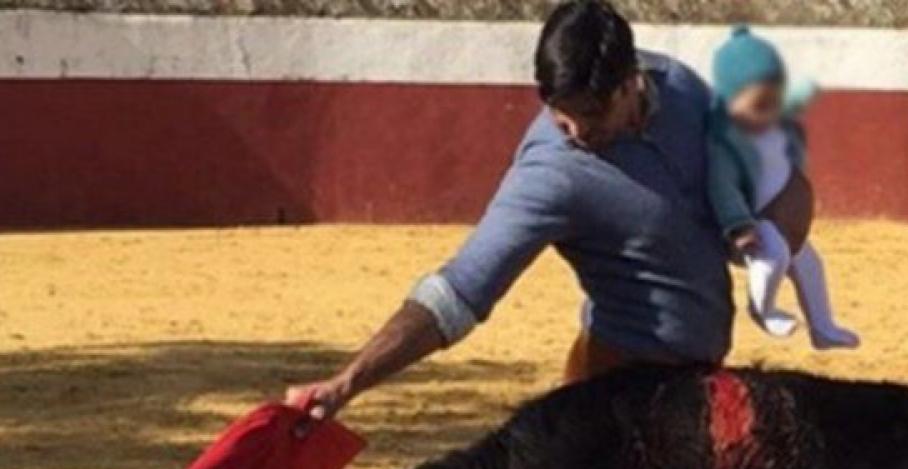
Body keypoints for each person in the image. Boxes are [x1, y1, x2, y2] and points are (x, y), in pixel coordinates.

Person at [287, 0, 748, 421]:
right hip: (616, 399)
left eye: (590, 113)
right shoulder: (552, 173)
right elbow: (459, 291)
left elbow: (743, 174)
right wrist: (347, 382)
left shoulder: (680, 88)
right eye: (560, 112)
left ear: (631, 82)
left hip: (701, 383)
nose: (575, 131)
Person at [707, 26, 858, 349]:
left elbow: (794, 105)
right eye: (757, 102)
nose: (767, 108)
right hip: (750, 226)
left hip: (783, 221)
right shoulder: (725, 144)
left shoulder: (777, 126)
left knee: (809, 264)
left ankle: (823, 328)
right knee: (773, 254)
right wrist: (739, 225)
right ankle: (763, 309)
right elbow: (722, 188)